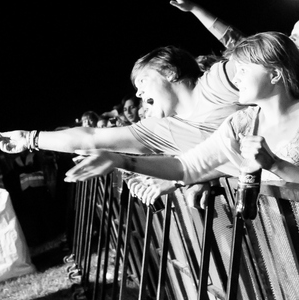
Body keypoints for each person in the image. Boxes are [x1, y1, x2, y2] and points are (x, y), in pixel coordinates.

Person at [64, 32, 299, 202]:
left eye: (244, 70)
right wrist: (118, 160)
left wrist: (276, 165)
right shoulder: (240, 124)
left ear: (275, 74)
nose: (236, 78)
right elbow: (185, 166)